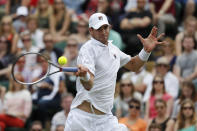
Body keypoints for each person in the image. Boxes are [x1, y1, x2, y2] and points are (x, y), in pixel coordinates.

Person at [64, 12, 165, 131]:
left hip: (105, 120)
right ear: (91, 30)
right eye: (99, 29)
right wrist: (84, 76)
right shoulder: (88, 49)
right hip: (81, 120)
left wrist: (146, 51)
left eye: (105, 27)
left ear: (109, 27)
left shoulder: (114, 50)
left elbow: (134, 65)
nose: (103, 32)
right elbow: (89, 84)